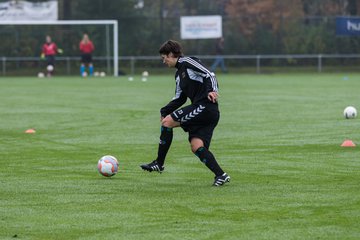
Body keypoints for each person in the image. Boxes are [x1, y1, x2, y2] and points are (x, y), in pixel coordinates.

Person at [140, 40, 230, 187]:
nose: (164, 61)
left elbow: (210, 74)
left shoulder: (188, 62)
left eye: (164, 58)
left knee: (167, 122)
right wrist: (164, 110)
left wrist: (213, 90)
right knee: (197, 146)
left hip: (205, 107)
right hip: (203, 113)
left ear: (171, 54)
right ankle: (221, 175)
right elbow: (179, 98)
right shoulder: (178, 75)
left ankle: (159, 163)